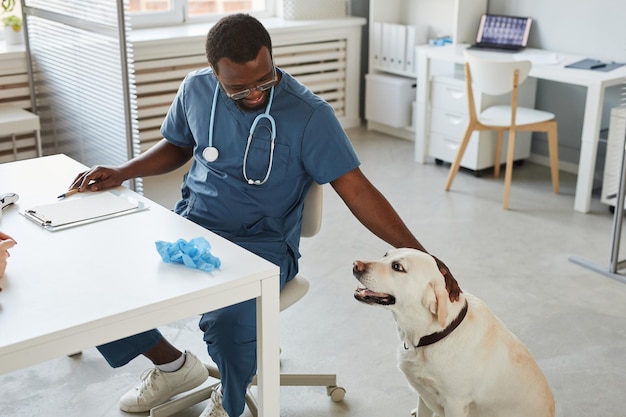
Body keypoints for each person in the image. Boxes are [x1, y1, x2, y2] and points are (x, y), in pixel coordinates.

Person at [70, 13, 459, 417]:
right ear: (214, 73)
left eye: (265, 79)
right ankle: (172, 367)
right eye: (239, 87)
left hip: (263, 246)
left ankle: (230, 400)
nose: (255, 93)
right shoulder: (196, 89)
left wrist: (423, 257)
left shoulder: (310, 115)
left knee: (228, 321)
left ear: (271, 58)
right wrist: (124, 171)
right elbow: (178, 144)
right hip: (188, 230)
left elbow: (358, 191)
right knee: (106, 284)